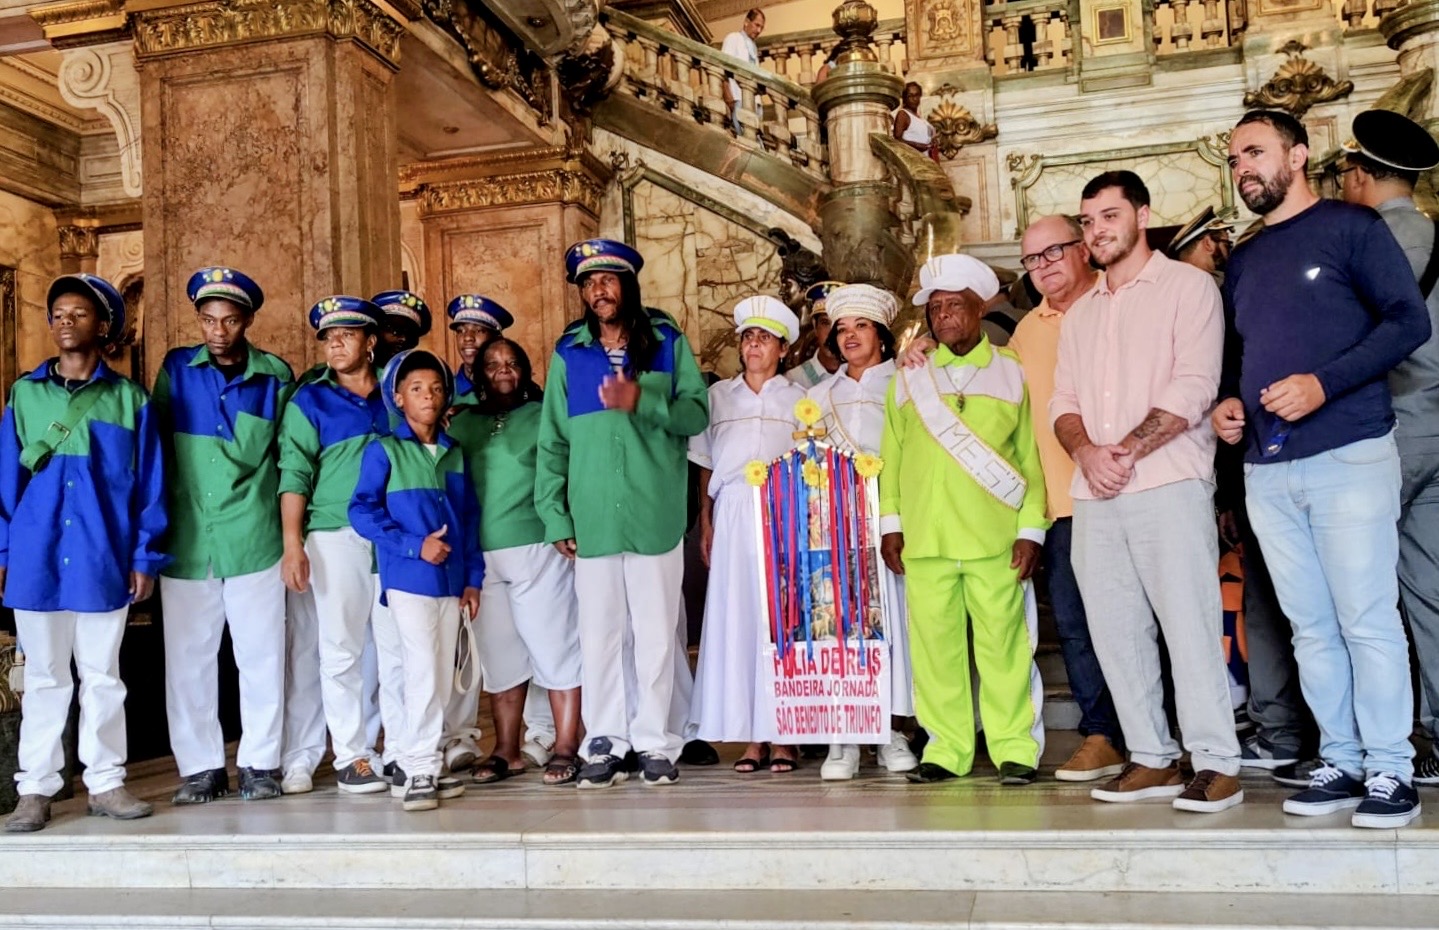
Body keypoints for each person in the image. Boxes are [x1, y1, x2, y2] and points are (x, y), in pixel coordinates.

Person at [1215, 110, 1430, 828]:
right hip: (1268, 469)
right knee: (1309, 626)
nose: (1241, 166)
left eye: (1254, 151)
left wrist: (1322, 384)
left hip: (1349, 450)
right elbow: (1239, 358)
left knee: (1364, 619)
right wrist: (1226, 405)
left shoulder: (1352, 228)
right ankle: (1338, 756)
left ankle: (1390, 769)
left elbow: (1406, 322)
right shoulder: (1242, 259)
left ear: (1298, 155)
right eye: (1233, 157)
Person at [1051, 171, 1243, 813]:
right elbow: (1063, 401)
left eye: (1109, 216)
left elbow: (1194, 387)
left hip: (1168, 481)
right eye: (1087, 221)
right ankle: (1153, 756)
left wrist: (1125, 452)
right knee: (1115, 629)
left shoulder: (1189, 289)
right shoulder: (1079, 314)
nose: (1097, 230)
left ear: (1142, 214)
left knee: (1187, 624)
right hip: (1094, 491)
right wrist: (1085, 452)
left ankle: (1217, 761)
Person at [536, 238, 709, 788]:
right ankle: (606, 741)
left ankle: (657, 740)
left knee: (657, 634)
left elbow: (697, 413)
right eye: (588, 284)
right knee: (600, 635)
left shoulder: (666, 342)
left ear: (627, 286)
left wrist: (645, 401)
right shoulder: (570, 353)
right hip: (593, 518)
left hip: (653, 513)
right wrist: (556, 516)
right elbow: (552, 443)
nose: (597, 291)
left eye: (607, 281)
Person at [1, 274, 166, 832]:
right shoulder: (24, 395)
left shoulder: (128, 399)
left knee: (102, 674)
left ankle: (106, 782)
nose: (65, 322)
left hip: (102, 557)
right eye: (57, 314)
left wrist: (144, 555)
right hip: (36, 556)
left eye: (78, 313)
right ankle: (37, 789)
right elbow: (6, 482)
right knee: (44, 675)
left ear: (104, 326)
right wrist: (5, 551)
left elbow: (149, 485)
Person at [880, 254, 1048, 786]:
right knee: (935, 653)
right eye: (936, 308)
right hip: (925, 540)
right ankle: (946, 748)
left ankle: (1014, 747)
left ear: (980, 309)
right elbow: (892, 457)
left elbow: (1031, 457)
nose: (945, 315)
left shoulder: (1011, 371)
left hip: (994, 539)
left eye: (955, 305)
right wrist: (890, 525)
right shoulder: (907, 378)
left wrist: (1030, 530)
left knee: (1005, 649)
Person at [1175, 207, 1312, 783]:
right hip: (1256, 467)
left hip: (1267, 465)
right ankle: (1290, 727)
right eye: (1216, 241)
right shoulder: (1215, 298)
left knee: (1281, 609)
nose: (1224, 248)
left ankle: (1286, 729)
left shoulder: (1227, 298)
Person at [156, 267, 293, 804]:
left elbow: (289, 460)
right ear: (199, 320)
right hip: (187, 538)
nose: (218, 330)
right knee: (188, 659)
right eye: (208, 319)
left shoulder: (276, 376)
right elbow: (157, 448)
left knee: (260, 656)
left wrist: (290, 537)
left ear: (248, 321)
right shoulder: (174, 370)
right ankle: (200, 768)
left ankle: (260, 763)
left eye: (229, 320)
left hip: (254, 535)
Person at [1337, 108, 1439, 789]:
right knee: (1428, 587)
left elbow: (1354, 339)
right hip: (1437, 425)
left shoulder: (1373, 243)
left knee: (1359, 592)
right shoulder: (1433, 233)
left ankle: (1380, 741)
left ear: (1361, 174)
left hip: (1391, 426)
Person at [1005, 215, 1128, 783]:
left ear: (1083, 249)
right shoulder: (1027, 329)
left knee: (1145, 618)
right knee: (1077, 627)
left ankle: (1167, 733)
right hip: (1061, 506)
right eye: (1031, 260)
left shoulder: (1120, 299)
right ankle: (1102, 734)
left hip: (1129, 493)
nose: (1043, 267)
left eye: (1053, 252)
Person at [350, 349, 483, 811]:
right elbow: (361, 511)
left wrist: (473, 578)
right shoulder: (384, 450)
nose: (428, 396)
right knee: (422, 670)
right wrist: (413, 545)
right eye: (416, 389)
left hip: (451, 583)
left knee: (441, 675)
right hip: (408, 579)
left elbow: (468, 519)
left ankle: (416, 760)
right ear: (398, 399)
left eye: (436, 388)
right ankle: (423, 768)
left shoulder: (453, 451)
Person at [449, 337, 585, 786]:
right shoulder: (463, 423)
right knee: (500, 655)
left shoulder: (544, 414)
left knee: (554, 647)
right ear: (478, 374)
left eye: (512, 362)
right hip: (482, 554)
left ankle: (566, 743)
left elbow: (562, 473)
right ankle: (507, 748)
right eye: (492, 364)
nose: (503, 369)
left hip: (536, 547)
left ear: (526, 369)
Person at [277, 296, 396, 796]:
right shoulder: (311, 399)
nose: (335, 344)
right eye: (329, 337)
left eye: (346, 335)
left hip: (394, 534)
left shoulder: (395, 392)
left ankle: (403, 749)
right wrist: (292, 543)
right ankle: (351, 755)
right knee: (341, 648)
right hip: (335, 534)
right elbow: (294, 472)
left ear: (370, 342)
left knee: (396, 648)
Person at [688, 296, 805, 774]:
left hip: (783, 513)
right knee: (738, 622)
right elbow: (706, 465)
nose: (754, 344)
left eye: (764, 337)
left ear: (782, 347)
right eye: (747, 336)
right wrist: (707, 522)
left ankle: (784, 735)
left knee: (779, 622)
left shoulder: (801, 399)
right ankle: (752, 737)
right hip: (733, 512)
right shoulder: (718, 397)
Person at [806, 283, 918, 780]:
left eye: (862, 326)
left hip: (889, 524)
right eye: (841, 327)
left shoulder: (907, 383)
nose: (849, 336)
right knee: (839, 627)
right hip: (832, 528)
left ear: (882, 335)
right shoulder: (815, 397)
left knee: (892, 627)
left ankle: (889, 730)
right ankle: (842, 734)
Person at [449, 294, 513, 408]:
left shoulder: (518, 388)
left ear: (497, 339)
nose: (468, 337)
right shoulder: (444, 392)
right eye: (460, 331)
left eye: (479, 330)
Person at [787, 281, 842, 389]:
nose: (832, 333)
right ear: (815, 326)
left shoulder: (863, 377)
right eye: (825, 323)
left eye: (838, 324)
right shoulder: (793, 381)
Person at [722, 8, 765, 136]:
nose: (758, 31)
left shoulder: (753, 47)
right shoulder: (733, 38)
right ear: (746, 22)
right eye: (757, 25)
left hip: (755, 102)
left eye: (761, 28)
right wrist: (727, 93)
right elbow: (723, 67)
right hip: (738, 97)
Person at [1167, 206, 1233, 285]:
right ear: (1208, 243)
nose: (1228, 252)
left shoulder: (1174, 283)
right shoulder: (1210, 284)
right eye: (1226, 245)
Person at [371, 289, 432, 367]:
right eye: (396, 330)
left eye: (410, 334)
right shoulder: (359, 375)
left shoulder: (422, 374)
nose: (404, 339)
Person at [892, 82, 934, 159]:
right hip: (913, 159)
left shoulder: (920, 118)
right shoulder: (903, 114)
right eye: (910, 96)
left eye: (917, 95)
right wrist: (919, 146)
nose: (914, 99)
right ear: (904, 98)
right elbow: (897, 140)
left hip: (925, 158)